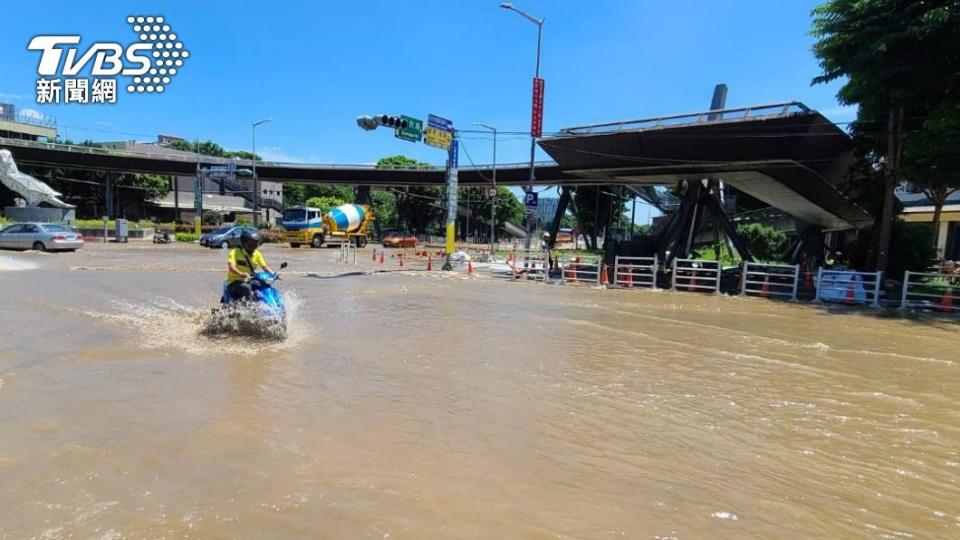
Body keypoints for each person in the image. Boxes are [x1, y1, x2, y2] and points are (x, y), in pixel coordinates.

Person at [226, 229, 275, 302]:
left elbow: (264, 267)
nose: (253, 246)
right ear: (244, 242)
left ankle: (272, 304)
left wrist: (273, 274)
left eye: (255, 243)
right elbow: (231, 267)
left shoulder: (257, 254)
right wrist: (241, 273)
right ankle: (250, 309)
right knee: (247, 287)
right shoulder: (234, 252)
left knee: (265, 285)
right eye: (251, 243)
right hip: (234, 282)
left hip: (248, 279)